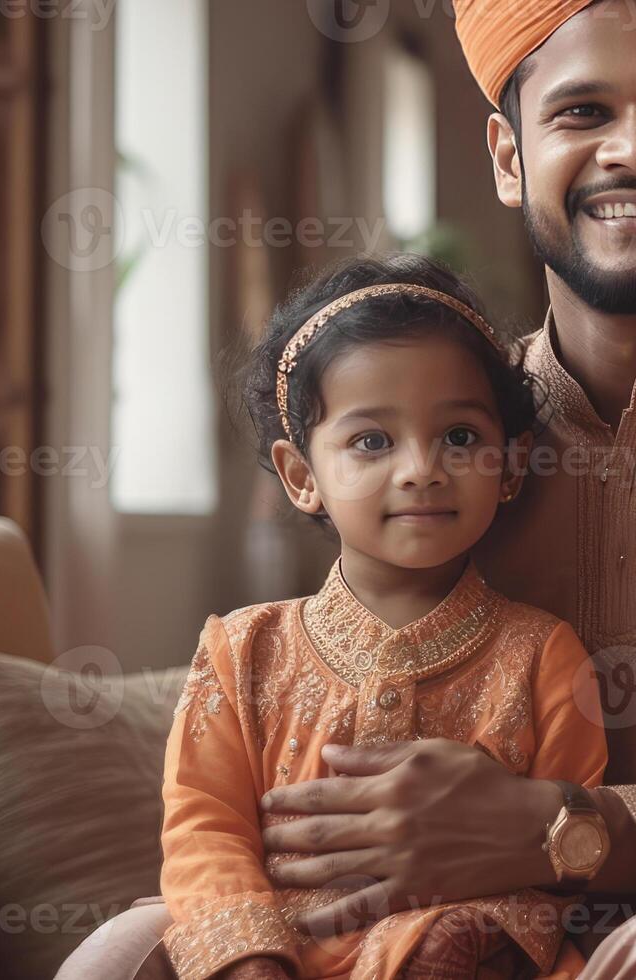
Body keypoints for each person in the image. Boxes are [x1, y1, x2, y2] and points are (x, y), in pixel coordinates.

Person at [57, 0, 636, 977]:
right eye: (582, 113)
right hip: (426, 939)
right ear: (508, 158)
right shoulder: (437, 449)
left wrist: (576, 829)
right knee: (127, 949)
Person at [160, 254, 607, 979]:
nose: (421, 468)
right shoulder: (242, 652)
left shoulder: (544, 656)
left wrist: (466, 937)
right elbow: (204, 829)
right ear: (302, 477)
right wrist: (247, 957)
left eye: (459, 437)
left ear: (511, 464)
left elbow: (559, 863)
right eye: (372, 441)